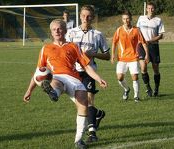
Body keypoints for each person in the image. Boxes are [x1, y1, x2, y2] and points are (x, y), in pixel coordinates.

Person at [23, 19, 107, 149]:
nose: (57, 31)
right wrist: (29, 90)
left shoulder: (73, 46)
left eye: (59, 28)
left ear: (65, 30)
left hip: (74, 79)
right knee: (56, 83)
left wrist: (98, 78)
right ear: (51, 32)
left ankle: (78, 140)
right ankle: (53, 93)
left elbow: (86, 66)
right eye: (54, 29)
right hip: (56, 76)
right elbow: (38, 72)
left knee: (83, 103)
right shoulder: (46, 48)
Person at [66, 5, 110, 143]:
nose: (86, 18)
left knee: (89, 101)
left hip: (89, 72)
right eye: (84, 15)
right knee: (80, 104)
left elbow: (107, 55)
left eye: (89, 16)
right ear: (80, 16)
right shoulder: (71, 33)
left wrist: (94, 54)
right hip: (73, 72)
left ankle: (92, 133)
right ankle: (97, 114)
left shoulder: (97, 34)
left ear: (92, 17)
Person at [111, 10, 149, 102]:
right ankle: (126, 89)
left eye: (127, 18)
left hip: (133, 58)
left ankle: (136, 96)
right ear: (122, 20)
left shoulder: (136, 30)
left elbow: (143, 43)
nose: (126, 20)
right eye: (124, 19)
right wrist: (112, 55)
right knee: (120, 78)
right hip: (122, 58)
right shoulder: (119, 30)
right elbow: (114, 43)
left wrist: (147, 54)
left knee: (135, 77)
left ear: (130, 19)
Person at [136, 2, 165, 97]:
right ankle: (148, 87)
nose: (150, 10)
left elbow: (161, 35)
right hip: (141, 46)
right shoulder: (141, 18)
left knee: (155, 69)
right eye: (149, 8)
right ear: (146, 9)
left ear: (154, 9)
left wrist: (150, 40)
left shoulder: (158, 20)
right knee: (143, 67)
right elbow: (137, 31)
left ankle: (156, 88)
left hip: (153, 46)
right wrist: (142, 41)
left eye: (152, 8)